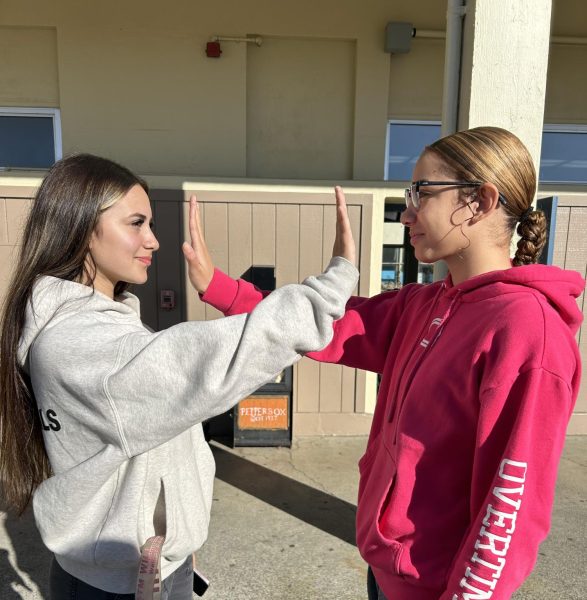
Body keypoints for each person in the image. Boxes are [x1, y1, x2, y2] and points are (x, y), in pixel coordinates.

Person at [193, 127, 585, 599]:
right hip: (386, 570)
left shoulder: (527, 331)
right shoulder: (425, 304)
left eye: (422, 191)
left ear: (480, 201)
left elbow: (510, 509)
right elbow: (327, 322)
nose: (407, 212)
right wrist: (219, 286)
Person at [0, 154, 358, 600]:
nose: (152, 241)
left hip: (139, 566)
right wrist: (336, 281)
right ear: (80, 227)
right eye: (136, 223)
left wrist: (179, 540)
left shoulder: (95, 330)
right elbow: (216, 358)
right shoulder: (82, 345)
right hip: (127, 584)